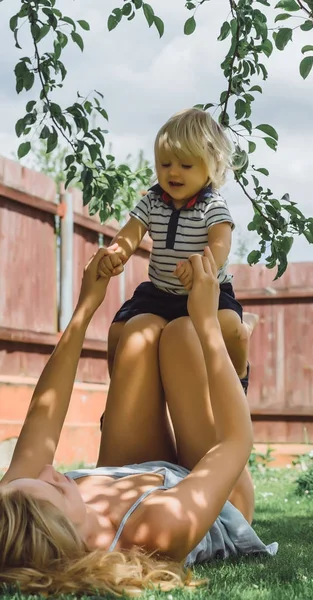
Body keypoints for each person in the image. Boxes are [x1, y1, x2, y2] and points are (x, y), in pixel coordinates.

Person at [0, 246, 277, 597]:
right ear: (68, 535)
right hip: (215, 494)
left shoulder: (16, 505)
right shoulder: (158, 528)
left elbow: (44, 411)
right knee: (184, 335)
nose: (49, 471)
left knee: (139, 329)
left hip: (138, 474)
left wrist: (85, 308)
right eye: (55, 487)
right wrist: (208, 322)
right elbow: (236, 442)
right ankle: (237, 354)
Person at [96, 108, 257, 394]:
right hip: (161, 292)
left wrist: (201, 267)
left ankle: (240, 377)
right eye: (165, 163)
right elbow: (131, 232)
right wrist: (117, 252)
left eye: (185, 165)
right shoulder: (153, 201)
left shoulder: (212, 205)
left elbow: (221, 242)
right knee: (118, 332)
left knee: (233, 330)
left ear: (211, 166)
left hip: (207, 294)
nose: (172, 172)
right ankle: (119, 398)